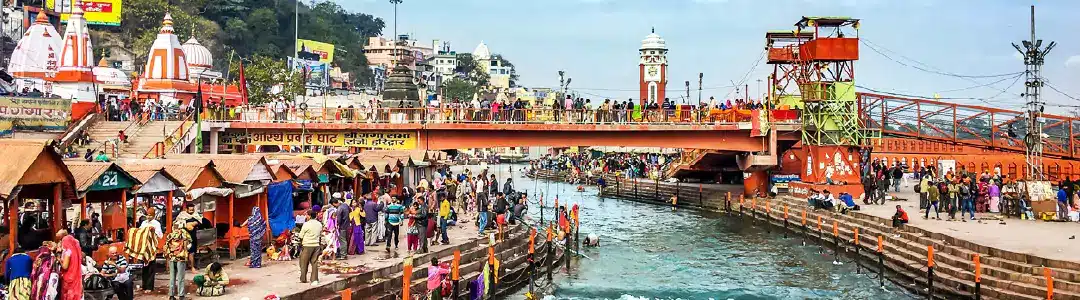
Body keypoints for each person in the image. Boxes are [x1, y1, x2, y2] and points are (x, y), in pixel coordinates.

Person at [166, 222, 192, 299]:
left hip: (171, 258)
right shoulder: (184, 234)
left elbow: (167, 247)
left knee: (172, 277)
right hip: (181, 258)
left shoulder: (170, 235)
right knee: (181, 278)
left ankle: (171, 295)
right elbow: (188, 245)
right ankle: (181, 295)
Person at [56, 230, 83, 300]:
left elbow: (65, 266)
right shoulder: (76, 251)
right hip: (76, 276)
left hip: (69, 277)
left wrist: (59, 259)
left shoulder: (68, 252)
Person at [298, 210, 322, 285]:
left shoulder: (306, 224)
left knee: (303, 263)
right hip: (316, 245)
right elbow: (320, 235)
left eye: (307, 215)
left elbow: (300, 236)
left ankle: (303, 278)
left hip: (307, 245)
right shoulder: (319, 224)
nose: (306, 217)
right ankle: (314, 279)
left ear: (309, 216)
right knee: (314, 262)